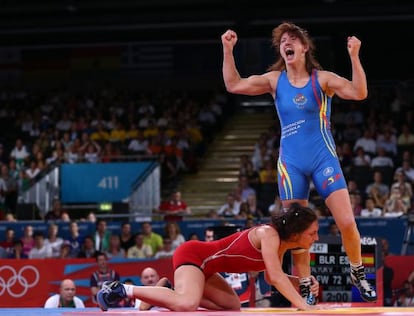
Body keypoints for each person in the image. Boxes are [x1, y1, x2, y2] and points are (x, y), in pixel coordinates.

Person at [220, 22, 376, 303]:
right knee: (296, 231)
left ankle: (357, 271)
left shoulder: (322, 79)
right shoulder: (274, 80)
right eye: (283, 40)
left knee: (347, 222)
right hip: (290, 165)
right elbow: (233, 84)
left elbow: (359, 92)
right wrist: (227, 49)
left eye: (293, 39)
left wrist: (354, 56)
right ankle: (305, 284)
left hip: (322, 159)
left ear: (304, 47)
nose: (286, 43)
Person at [96, 203, 320, 311]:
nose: (316, 237)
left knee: (233, 306)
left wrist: (302, 284)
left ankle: (168, 291)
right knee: (187, 304)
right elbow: (275, 276)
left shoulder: (280, 245)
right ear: (296, 233)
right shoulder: (268, 234)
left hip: (208, 268)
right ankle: (119, 289)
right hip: (195, 256)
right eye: (312, 233)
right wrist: (304, 305)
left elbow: (273, 279)